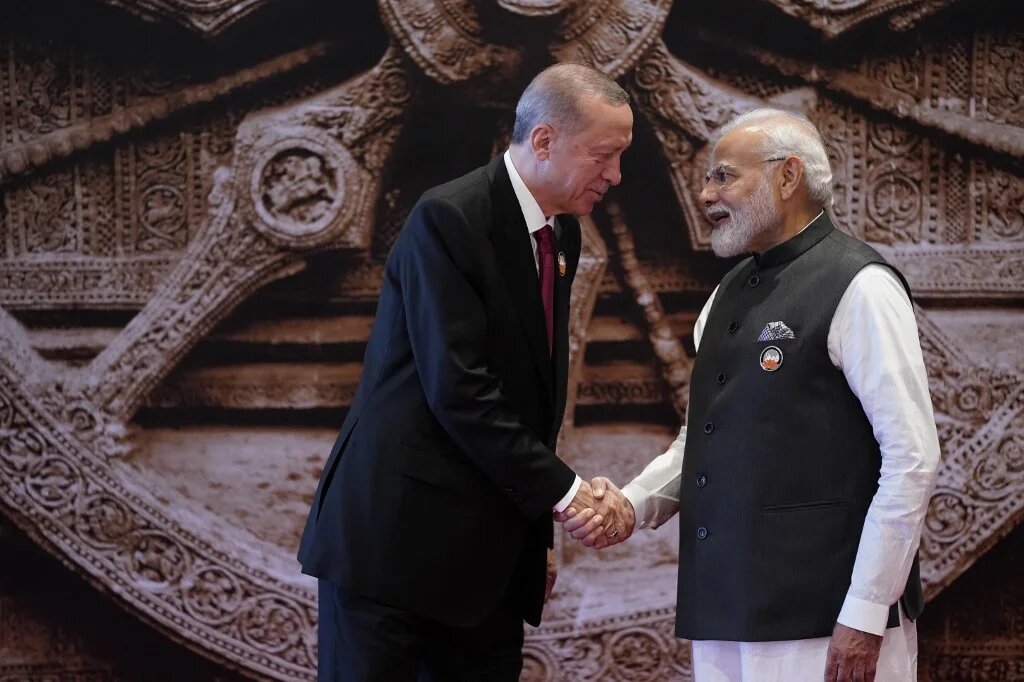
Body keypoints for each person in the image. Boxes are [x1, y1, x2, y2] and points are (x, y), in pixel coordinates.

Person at [560, 108, 941, 682]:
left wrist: (866, 611)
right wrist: (632, 505)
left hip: (826, 621)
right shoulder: (726, 295)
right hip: (725, 611)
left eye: (723, 176)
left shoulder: (860, 285)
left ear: (788, 178)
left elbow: (913, 458)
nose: (706, 192)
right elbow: (707, 439)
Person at [297, 63, 633, 681]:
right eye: (604, 156)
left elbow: (533, 400)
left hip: (486, 566)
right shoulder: (448, 218)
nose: (615, 176)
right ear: (544, 141)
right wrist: (564, 495)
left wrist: (535, 541)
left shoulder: (562, 233)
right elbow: (460, 390)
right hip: (394, 553)